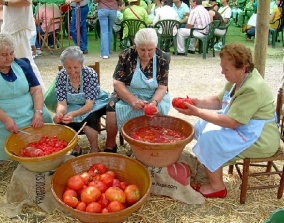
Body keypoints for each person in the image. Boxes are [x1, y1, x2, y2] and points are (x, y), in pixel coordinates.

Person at [175, 42, 280, 198]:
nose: (222, 72)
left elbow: (232, 122)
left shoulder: (253, 88)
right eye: (222, 67)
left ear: (242, 68)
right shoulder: (239, 77)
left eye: (226, 69)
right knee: (203, 125)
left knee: (211, 138)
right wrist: (198, 102)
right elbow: (219, 100)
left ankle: (217, 187)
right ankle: (211, 168)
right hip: (246, 128)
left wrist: (197, 112)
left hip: (261, 138)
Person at [0, 32, 52, 183]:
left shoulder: (23, 64)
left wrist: (38, 112)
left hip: (26, 111)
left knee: (46, 118)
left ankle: (42, 156)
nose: (9, 58)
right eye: (3, 55)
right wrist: (6, 119)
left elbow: (36, 90)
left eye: (11, 53)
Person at [104, 28, 171, 153]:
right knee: (111, 107)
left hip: (153, 94)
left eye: (150, 50)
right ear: (136, 46)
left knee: (160, 110)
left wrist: (153, 103)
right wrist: (132, 100)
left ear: (155, 47)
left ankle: (154, 143)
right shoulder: (126, 55)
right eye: (142, 50)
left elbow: (162, 86)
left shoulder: (163, 58)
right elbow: (117, 83)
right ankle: (110, 144)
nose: (146, 54)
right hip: (127, 91)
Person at [52, 46, 110, 154]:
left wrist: (74, 114)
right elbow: (62, 103)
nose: (72, 71)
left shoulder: (89, 74)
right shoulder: (61, 76)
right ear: (64, 66)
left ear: (81, 65)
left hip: (91, 103)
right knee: (61, 122)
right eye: (68, 68)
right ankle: (76, 148)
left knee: (90, 118)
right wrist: (59, 113)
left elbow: (89, 105)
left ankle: (94, 148)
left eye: (76, 67)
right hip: (71, 104)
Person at [0, 0, 46, 94]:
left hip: (19, 28)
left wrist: (5, 2)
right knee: (15, 63)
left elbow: (25, 2)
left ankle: (41, 93)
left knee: (26, 62)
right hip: (12, 27)